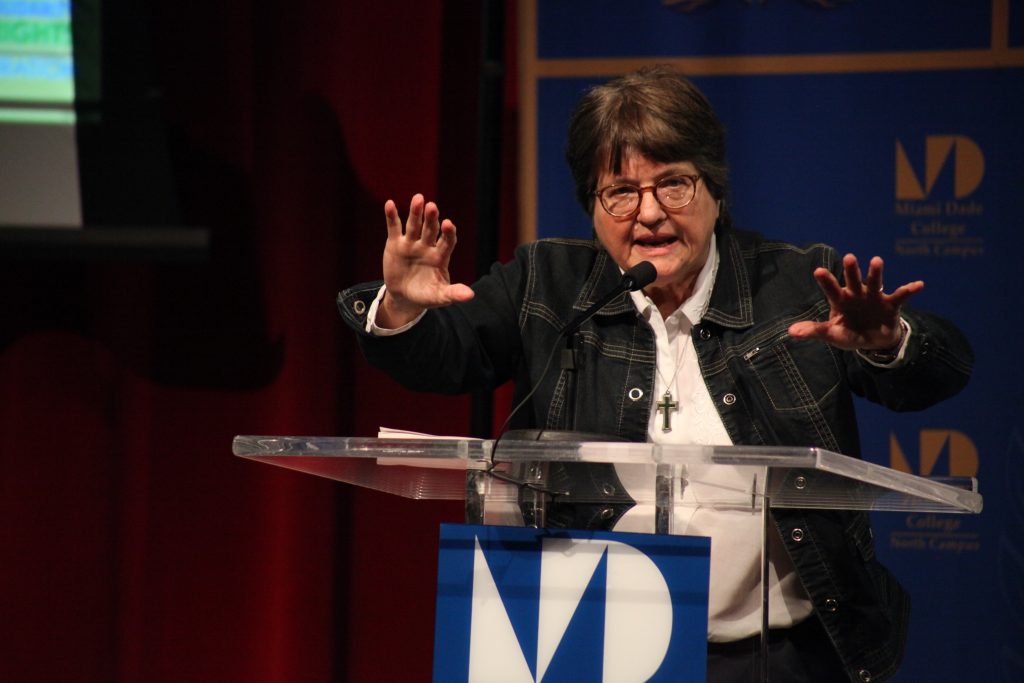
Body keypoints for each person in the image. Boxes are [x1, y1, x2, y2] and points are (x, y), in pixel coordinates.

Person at [338, 66, 972, 683]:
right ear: (592, 206)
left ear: (716, 193)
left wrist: (888, 342)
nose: (649, 214)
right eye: (620, 192)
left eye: (675, 184)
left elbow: (940, 372)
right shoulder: (550, 284)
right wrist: (403, 308)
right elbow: (443, 358)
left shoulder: (796, 286)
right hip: (593, 647)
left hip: (780, 659)